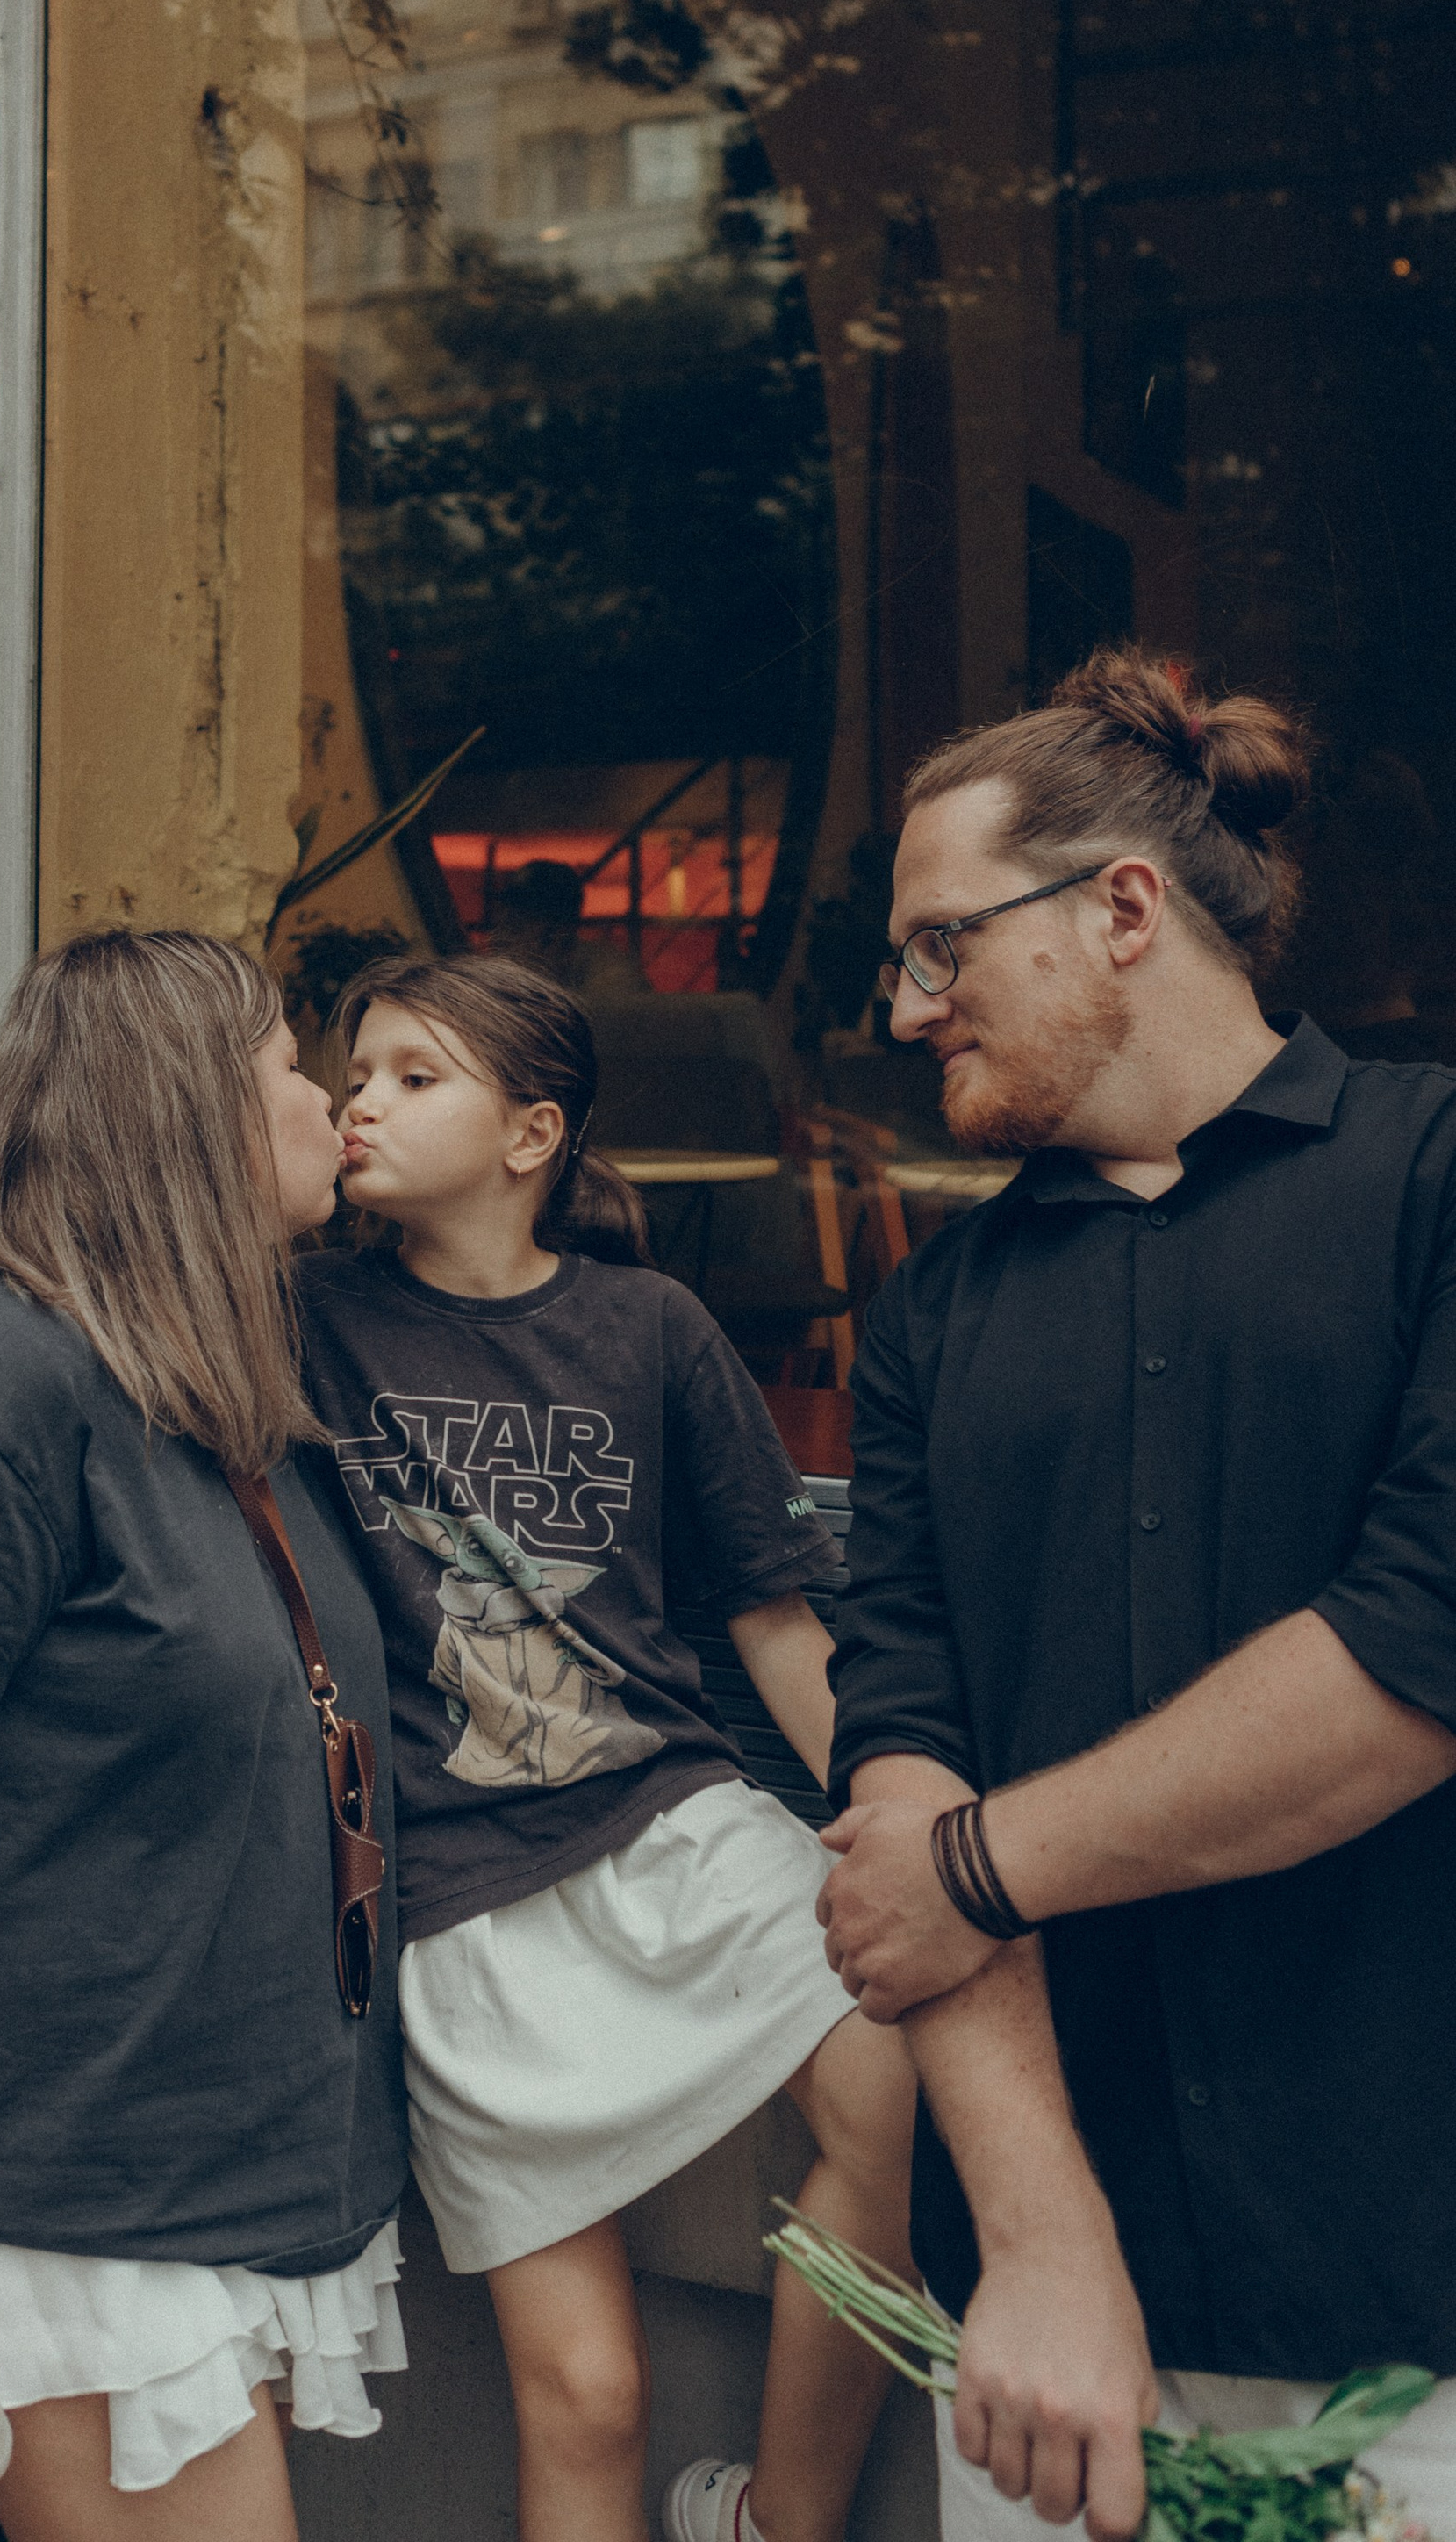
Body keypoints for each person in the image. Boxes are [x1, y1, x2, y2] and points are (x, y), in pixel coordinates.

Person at [815, 650, 1456, 2542]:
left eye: (942, 945)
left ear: (1119, 909)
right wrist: (1040, 2241)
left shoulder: (1431, 1178)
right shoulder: (927, 1316)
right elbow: (899, 1769)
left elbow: (1413, 1665)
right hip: (1040, 2346)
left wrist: (972, 1870)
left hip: (1412, 2321)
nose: (906, 1003)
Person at [0, 930, 408, 2542]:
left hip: (200, 2189)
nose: (323, 1092)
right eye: (284, 1059)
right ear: (187, 1112)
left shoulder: (208, 1393)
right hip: (65, 2213)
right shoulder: (0, 1397)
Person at [297, 951, 917, 2542]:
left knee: (892, 2086)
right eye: (353, 1072)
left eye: (414, 1076)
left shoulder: (652, 1327)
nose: (362, 1100)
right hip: (460, 1896)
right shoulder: (302, 1323)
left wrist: (895, 1812)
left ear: (533, 1135)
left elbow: (776, 1620)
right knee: (589, 2395)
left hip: (677, 1826)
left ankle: (778, 2520)